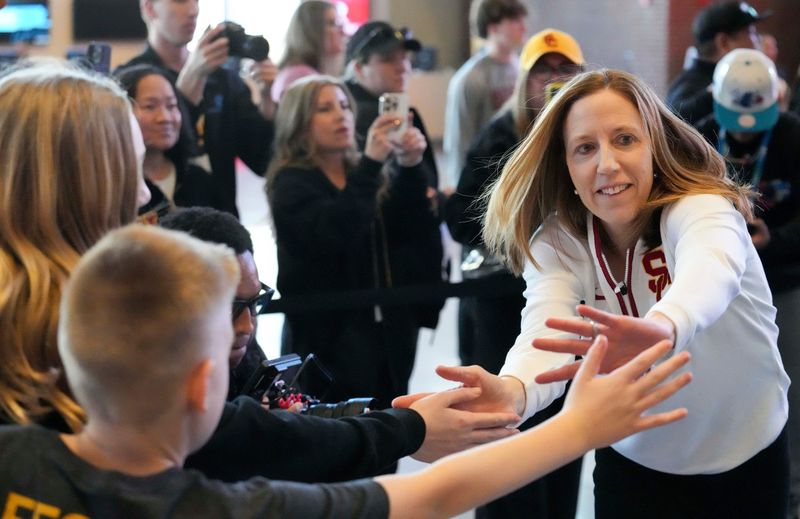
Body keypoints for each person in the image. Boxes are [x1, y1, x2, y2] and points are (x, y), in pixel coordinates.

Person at [0, 60, 522, 487]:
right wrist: (406, 431)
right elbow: (234, 437)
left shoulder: (76, 305)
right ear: (76, 183)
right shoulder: (101, 316)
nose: (144, 195)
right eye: (127, 172)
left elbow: (247, 425)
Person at [0, 223, 693, 518]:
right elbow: (432, 496)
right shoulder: (220, 507)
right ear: (200, 382)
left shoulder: (14, 456)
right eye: (235, 334)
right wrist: (579, 426)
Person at [399, 68, 791, 517]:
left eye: (625, 139)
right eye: (585, 148)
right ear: (566, 166)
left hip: (747, 454)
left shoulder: (701, 207)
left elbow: (711, 269)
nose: (606, 164)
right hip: (634, 461)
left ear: (656, 147)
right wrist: (513, 392)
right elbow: (545, 336)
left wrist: (664, 326)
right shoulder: (558, 240)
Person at [445, 28, 585, 519]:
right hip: (503, 310)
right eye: (543, 69)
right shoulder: (501, 136)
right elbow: (460, 221)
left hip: (571, 313)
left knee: (563, 442)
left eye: (564, 69)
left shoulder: (587, 138)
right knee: (505, 445)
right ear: (524, 78)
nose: (553, 79)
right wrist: (523, 238)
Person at [267, 75, 442, 411]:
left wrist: (409, 166)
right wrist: (372, 164)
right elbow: (333, 234)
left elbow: (411, 225)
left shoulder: (366, 172)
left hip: (385, 332)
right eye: (325, 108)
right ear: (299, 122)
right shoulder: (292, 183)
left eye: (345, 106)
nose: (341, 115)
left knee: (387, 434)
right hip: (328, 337)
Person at [696, 48, 800, 518]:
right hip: (723, 291)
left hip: (787, 283)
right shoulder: (697, 135)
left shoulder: (794, 136)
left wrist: (772, 238)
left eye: (754, 121)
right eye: (736, 121)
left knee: (788, 392)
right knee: (727, 388)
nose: (744, 131)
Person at [119, 0, 277, 217]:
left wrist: (268, 98)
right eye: (181, 1)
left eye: (196, 1)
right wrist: (184, 92)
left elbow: (262, 160)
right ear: (149, 8)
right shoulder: (129, 81)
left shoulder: (223, 79)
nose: (193, 10)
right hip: (155, 226)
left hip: (223, 225)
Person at [159, 207, 269, 400]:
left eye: (254, 303)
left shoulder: (251, 359)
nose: (247, 326)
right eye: (229, 306)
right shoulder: (150, 387)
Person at [344, 21, 439, 192]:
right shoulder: (349, 117)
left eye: (404, 58)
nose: (402, 68)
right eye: (387, 60)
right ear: (359, 68)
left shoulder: (402, 111)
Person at [442, 0, 527, 187]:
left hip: (514, 175)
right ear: (493, 27)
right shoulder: (470, 79)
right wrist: (461, 194)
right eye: (514, 20)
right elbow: (460, 142)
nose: (523, 26)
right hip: (483, 178)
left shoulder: (521, 68)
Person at [116, 64, 220, 216]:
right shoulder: (115, 186)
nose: (165, 118)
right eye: (150, 106)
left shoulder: (197, 178)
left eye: (171, 106)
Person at [666, 1, 768, 125]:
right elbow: (671, 121)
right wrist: (715, 94)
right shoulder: (691, 87)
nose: (758, 40)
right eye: (751, 33)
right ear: (723, 42)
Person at [271, 0, 347, 102]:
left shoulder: (302, 72)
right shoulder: (301, 76)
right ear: (311, 31)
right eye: (332, 23)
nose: (342, 31)